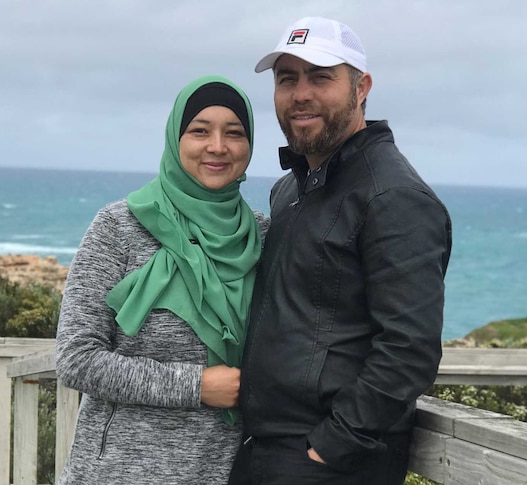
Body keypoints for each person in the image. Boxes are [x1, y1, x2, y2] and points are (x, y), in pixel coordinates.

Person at [229, 17, 452, 484]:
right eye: (286, 79)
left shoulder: (394, 197)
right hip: (264, 450)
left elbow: (408, 349)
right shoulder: (291, 188)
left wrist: (329, 449)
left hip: (326, 464)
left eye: (321, 76)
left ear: (362, 86)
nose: (301, 93)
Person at [56, 75, 266, 484]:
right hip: (115, 473)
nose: (217, 146)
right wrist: (196, 386)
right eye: (199, 131)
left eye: (234, 133)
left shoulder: (265, 238)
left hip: (219, 472)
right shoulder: (120, 227)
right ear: (176, 139)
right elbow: (76, 358)